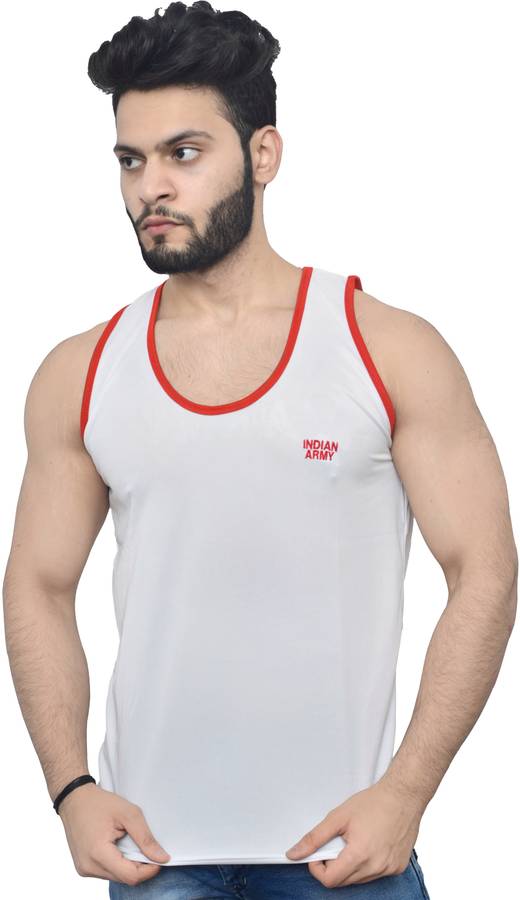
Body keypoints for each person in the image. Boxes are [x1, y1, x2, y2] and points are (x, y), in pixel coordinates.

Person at [3, 2, 517, 898]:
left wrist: (407, 792)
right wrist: (71, 788)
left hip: (344, 859)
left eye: (184, 153)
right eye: (131, 160)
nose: (150, 187)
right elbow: (39, 584)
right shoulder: (81, 371)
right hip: (153, 859)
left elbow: (486, 568)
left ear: (264, 154)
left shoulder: (385, 347)